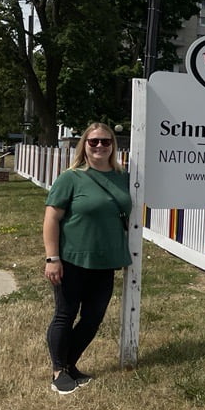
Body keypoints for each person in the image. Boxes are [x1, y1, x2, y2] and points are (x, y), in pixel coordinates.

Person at [42, 122, 131, 394]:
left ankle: (70, 364)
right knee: (65, 315)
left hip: (105, 261)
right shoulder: (71, 177)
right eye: (94, 142)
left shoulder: (122, 176)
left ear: (113, 145)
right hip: (72, 259)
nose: (100, 146)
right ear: (85, 145)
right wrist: (52, 258)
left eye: (106, 141)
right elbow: (51, 218)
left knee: (93, 318)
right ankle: (58, 371)